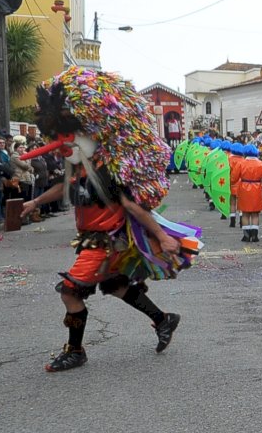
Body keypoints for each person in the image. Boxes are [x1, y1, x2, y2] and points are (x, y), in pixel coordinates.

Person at [18, 67, 199, 372]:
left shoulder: (107, 168)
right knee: (116, 285)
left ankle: (75, 350)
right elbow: (62, 188)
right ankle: (163, 319)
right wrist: (35, 200)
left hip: (106, 242)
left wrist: (164, 236)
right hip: (93, 239)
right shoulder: (81, 168)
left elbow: (133, 206)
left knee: (70, 291)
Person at [231, 144, 262, 242]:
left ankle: (246, 236)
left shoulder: (241, 163)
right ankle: (255, 236)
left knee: (245, 213)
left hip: (244, 188)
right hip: (256, 188)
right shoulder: (261, 164)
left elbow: (234, 178)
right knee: (255, 213)